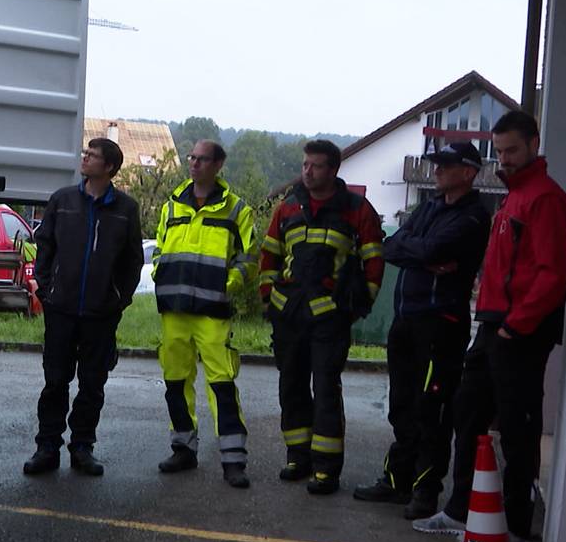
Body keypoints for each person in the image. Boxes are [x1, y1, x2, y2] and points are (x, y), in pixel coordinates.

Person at [413, 111, 566, 542]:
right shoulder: (513, 197)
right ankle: (461, 511)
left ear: (534, 145)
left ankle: (517, 530)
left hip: (518, 331)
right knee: (467, 414)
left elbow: (554, 273)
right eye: (499, 152)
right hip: (492, 327)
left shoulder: (545, 198)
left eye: (512, 151)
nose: (504, 160)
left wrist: (515, 328)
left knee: (519, 432)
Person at [353, 141, 490, 519]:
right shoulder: (429, 207)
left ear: (468, 172)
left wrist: (422, 253)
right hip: (406, 320)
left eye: (446, 165)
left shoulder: (474, 217)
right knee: (401, 405)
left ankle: (425, 491)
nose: (437, 170)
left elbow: (427, 251)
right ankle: (397, 481)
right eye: (436, 164)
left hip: (440, 325)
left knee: (431, 409)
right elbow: (392, 246)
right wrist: (423, 254)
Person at [259, 139, 385, 495]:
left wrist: (362, 304)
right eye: (304, 165)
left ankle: (327, 469)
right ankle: (298, 457)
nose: (307, 171)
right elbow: (268, 255)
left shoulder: (357, 209)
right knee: (291, 385)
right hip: (289, 314)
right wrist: (268, 298)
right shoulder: (287, 207)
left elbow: (374, 261)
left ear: (333, 170)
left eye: (315, 166)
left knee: (326, 390)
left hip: (330, 317)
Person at [22, 137, 143, 477]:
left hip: (100, 314)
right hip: (61, 309)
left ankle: (82, 447)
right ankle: (47, 446)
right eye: (85, 153)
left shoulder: (126, 209)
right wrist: (47, 288)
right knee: (55, 381)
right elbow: (44, 246)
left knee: (93, 384)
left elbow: (132, 260)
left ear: (109, 167)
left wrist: (120, 298)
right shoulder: (62, 200)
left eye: (92, 156)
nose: (85, 158)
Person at [151, 140, 258, 488]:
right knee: (176, 382)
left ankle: (233, 460)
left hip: (212, 310)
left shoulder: (236, 210)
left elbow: (248, 258)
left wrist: (229, 285)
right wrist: (159, 274)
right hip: (175, 309)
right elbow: (160, 247)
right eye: (192, 158)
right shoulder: (172, 205)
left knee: (221, 384)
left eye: (202, 159)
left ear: (218, 165)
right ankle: (183, 448)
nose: (194, 164)